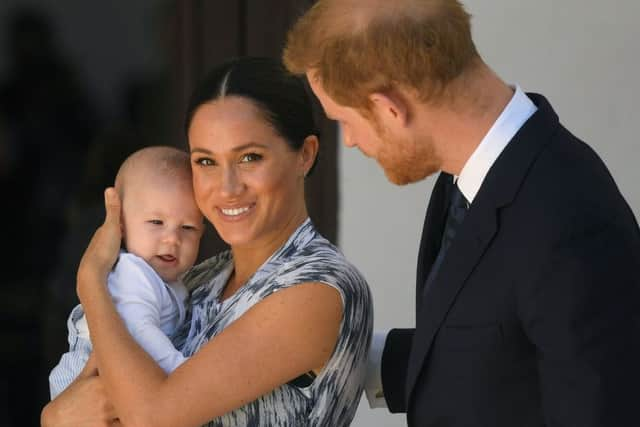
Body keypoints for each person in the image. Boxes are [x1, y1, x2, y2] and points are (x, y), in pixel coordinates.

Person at [283, 1, 640, 426]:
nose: (351, 141)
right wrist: (345, 351)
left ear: (389, 108)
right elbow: (497, 352)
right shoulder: (469, 176)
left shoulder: (570, 219)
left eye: (344, 120)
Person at [41, 56, 373, 427]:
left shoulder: (317, 288)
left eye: (250, 157)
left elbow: (151, 415)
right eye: (206, 162)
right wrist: (54, 416)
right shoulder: (198, 279)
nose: (227, 188)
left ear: (305, 155)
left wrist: (91, 281)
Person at [48, 146, 204, 398]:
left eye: (188, 228)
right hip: (87, 379)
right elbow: (140, 331)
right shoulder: (132, 273)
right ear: (120, 224)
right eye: (156, 222)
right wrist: (182, 373)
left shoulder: (172, 281)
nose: (172, 239)